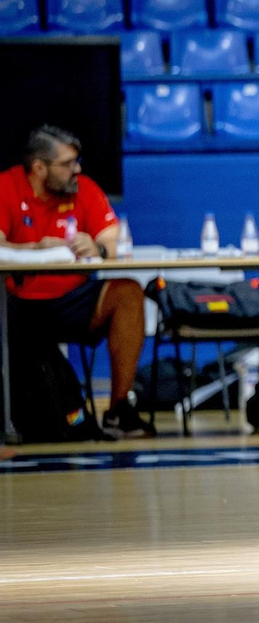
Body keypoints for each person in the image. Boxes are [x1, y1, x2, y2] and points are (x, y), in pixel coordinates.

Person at [0, 126, 153, 438]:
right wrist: (34, 248)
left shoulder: (83, 188)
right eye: (68, 164)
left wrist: (95, 247)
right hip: (18, 306)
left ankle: (119, 409)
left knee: (127, 291)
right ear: (39, 168)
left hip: (73, 301)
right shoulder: (6, 186)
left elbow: (114, 241)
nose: (77, 170)